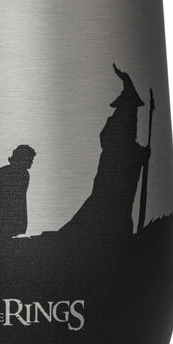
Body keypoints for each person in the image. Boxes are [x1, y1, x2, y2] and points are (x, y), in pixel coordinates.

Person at [65, 66, 150, 236]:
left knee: (120, 203)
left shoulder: (126, 119)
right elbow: (113, 141)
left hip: (120, 174)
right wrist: (139, 152)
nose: (134, 110)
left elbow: (124, 142)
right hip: (111, 171)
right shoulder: (118, 120)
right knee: (107, 202)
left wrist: (140, 152)